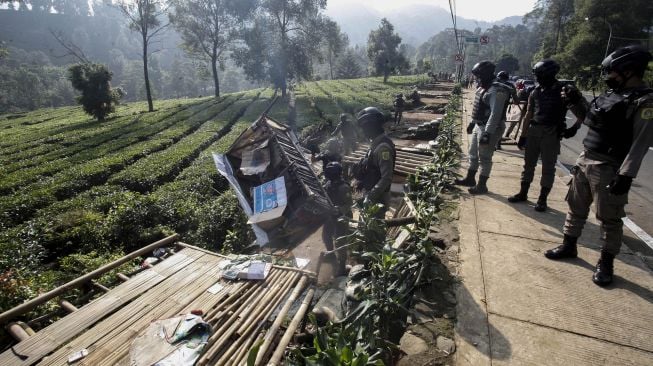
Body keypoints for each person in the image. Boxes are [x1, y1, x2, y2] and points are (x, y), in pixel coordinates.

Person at [544, 45, 653, 286]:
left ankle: (606, 263)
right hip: (586, 158)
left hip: (610, 166)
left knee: (609, 218)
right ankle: (569, 245)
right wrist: (574, 101)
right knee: (575, 206)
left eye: (612, 72)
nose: (608, 77)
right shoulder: (610, 94)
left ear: (629, 71)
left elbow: (642, 141)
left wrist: (626, 174)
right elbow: (592, 120)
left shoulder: (644, 101)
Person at [508, 59, 587, 212]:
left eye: (539, 75)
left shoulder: (564, 90)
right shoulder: (535, 91)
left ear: (547, 74)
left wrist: (574, 128)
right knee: (528, 165)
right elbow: (529, 114)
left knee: (548, 167)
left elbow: (582, 111)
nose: (537, 78)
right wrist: (523, 136)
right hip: (534, 130)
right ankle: (523, 193)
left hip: (552, 132)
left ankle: (542, 199)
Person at [455, 61, 512, 194]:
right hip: (479, 125)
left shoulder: (497, 90)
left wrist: (488, 133)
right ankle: (470, 179)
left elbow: (495, 114)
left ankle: (482, 185)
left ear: (485, 75)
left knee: (485, 158)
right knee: (473, 154)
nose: (476, 78)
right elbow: (479, 107)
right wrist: (472, 123)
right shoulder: (484, 87)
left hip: (490, 128)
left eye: (478, 76)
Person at [352, 107, 396, 211]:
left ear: (372, 126)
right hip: (371, 193)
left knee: (373, 226)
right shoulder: (374, 144)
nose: (363, 131)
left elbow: (386, 178)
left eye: (364, 128)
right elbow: (372, 169)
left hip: (378, 199)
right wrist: (362, 182)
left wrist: (370, 196)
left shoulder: (383, 148)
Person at [322, 161, 353, 275]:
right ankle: (330, 254)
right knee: (326, 235)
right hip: (331, 215)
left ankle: (342, 266)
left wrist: (339, 209)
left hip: (342, 217)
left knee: (340, 241)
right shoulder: (328, 184)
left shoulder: (344, 187)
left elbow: (349, 204)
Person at [496, 71, 522, 150]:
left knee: (490, 125)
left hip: (490, 109)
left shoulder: (494, 84)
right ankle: (498, 143)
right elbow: (516, 101)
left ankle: (490, 142)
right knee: (500, 127)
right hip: (502, 110)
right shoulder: (510, 86)